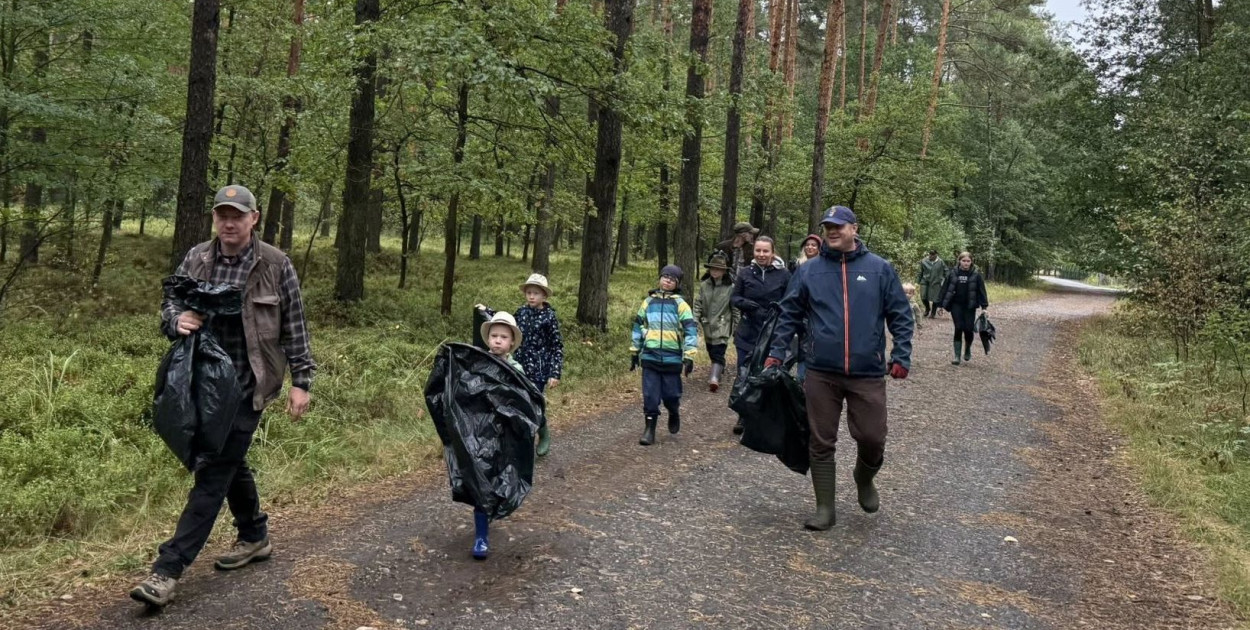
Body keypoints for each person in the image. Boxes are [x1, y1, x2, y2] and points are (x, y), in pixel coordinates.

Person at [132, 185, 315, 607]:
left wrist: (301, 381)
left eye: (238, 215)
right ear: (214, 218)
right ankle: (254, 534)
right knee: (230, 460)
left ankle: (167, 570)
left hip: (250, 383)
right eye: (222, 215)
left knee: (213, 469)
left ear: (254, 218)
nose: (229, 223)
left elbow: (295, 324)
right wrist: (176, 319)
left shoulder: (275, 264)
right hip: (204, 383)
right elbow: (171, 301)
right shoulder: (197, 258)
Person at [766, 205, 913, 531]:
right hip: (821, 370)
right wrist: (776, 353)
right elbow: (788, 314)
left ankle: (864, 476)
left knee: (872, 437)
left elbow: (900, 315)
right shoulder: (809, 271)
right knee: (821, 440)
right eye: (828, 227)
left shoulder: (879, 269)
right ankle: (825, 509)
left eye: (839, 226)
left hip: (867, 371)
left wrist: (901, 355)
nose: (832, 231)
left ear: (854, 229)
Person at [470, 311, 528, 559]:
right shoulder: (477, 363)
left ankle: (494, 508)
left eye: (503, 337)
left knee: (500, 477)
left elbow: (523, 401)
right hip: (480, 433)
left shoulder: (516, 369)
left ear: (512, 342)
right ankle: (481, 536)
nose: (497, 340)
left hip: (505, 434)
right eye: (494, 335)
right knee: (479, 479)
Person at [630, 265, 698, 446]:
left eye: (672, 279)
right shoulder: (648, 302)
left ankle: (673, 410)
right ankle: (649, 429)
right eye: (665, 276)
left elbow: (691, 330)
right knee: (650, 396)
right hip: (650, 356)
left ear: (677, 284)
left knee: (671, 394)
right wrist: (635, 350)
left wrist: (689, 355)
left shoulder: (680, 304)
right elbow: (638, 325)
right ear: (660, 278)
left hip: (672, 358)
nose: (668, 280)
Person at [730, 236, 791, 433]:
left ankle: (766, 417)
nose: (761, 254)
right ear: (754, 252)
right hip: (747, 332)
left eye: (766, 251)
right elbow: (734, 298)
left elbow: (790, 301)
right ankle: (743, 415)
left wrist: (777, 311)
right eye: (758, 251)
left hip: (772, 334)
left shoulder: (784, 275)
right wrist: (746, 305)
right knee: (744, 374)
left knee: (768, 376)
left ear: (772, 252)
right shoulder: (745, 273)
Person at [513, 273, 564, 456]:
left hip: (540, 370)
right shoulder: (521, 312)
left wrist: (554, 373)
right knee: (519, 402)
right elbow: (506, 325)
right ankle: (522, 441)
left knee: (534, 404)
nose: (531, 296)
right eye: (529, 293)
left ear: (544, 296)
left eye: (535, 293)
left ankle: (543, 434)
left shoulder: (549, 317)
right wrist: (486, 311)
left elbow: (556, 346)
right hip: (519, 367)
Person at [693, 252, 737, 393]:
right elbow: (698, 304)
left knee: (718, 351)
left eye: (718, 269)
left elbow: (735, 309)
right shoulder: (704, 285)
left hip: (723, 325)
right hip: (707, 325)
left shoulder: (730, 287)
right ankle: (719, 368)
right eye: (713, 268)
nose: (715, 271)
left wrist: (737, 327)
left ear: (724, 271)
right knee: (712, 351)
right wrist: (694, 320)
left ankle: (714, 378)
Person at [939, 251, 988, 365]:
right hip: (956, 305)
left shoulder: (976, 275)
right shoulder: (952, 273)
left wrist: (984, 307)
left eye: (968, 261)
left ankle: (967, 348)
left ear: (971, 262)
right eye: (964, 261)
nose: (966, 263)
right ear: (959, 261)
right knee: (958, 327)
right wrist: (940, 305)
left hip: (970, 306)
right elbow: (945, 289)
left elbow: (982, 291)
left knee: (968, 329)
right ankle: (957, 356)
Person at [916, 249, 948, 319]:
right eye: (930, 254)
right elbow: (920, 272)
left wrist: (947, 280)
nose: (931, 256)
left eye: (933, 254)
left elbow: (946, 271)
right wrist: (917, 282)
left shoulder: (940, 262)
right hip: (925, 281)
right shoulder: (924, 261)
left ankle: (933, 313)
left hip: (936, 282)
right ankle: (927, 308)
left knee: (935, 299)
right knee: (923, 296)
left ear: (936, 255)